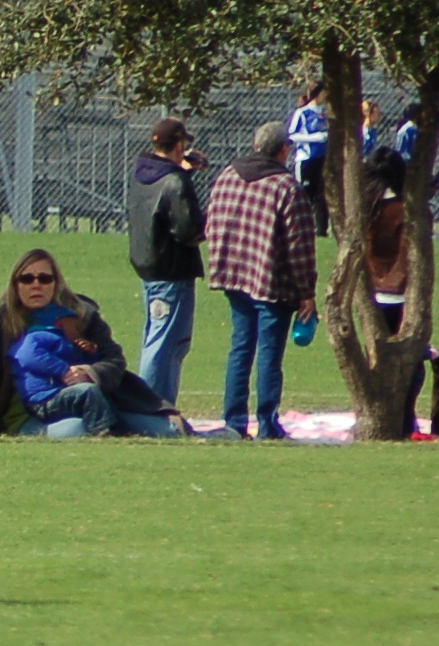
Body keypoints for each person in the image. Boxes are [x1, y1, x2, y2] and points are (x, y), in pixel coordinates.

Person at [0, 250, 184, 438]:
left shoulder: (81, 316)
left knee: (168, 432)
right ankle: (110, 434)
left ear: (56, 283)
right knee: (79, 429)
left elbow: (114, 360)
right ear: (15, 285)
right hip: (32, 414)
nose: (36, 285)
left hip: (96, 402)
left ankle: (116, 429)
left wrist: (89, 373)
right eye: (27, 279)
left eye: (44, 278)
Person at [207, 119, 318, 440]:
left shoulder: (228, 175)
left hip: (233, 275)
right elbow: (300, 246)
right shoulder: (286, 187)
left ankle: (234, 421)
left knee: (241, 348)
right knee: (269, 354)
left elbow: (211, 222)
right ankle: (267, 423)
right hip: (272, 282)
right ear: (284, 150)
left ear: (257, 146)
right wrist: (306, 291)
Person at [128, 116, 205, 405]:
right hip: (172, 271)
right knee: (164, 345)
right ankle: (151, 408)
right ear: (179, 145)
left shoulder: (141, 173)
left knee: (159, 339)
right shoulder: (175, 181)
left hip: (149, 266)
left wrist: (184, 172)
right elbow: (189, 231)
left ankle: (156, 404)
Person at [361, 145, 426, 424]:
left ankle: (380, 416)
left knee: (376, 360)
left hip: (372, 296)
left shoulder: (364, 210)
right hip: (400, 297)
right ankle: (404, 416)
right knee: (411, 364)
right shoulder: (405, 211)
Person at [287, 79, 330, 236]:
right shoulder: (302, 113)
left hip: (322, 158)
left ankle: (321, 230)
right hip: (306, 159)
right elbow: (291, 135)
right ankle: (299, 227)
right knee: (305, 193)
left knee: (322, 195)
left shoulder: (325, 112)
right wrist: (314, 138)